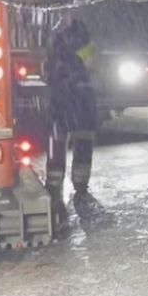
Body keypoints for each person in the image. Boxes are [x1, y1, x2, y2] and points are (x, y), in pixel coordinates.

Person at [42, 13, 98, 212]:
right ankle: (55, 183)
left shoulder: (81, 36)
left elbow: (89, 62)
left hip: (78, 94)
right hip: (62, 95)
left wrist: (69, 63)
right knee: (57, 140)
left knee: (82, 139)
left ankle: (80, 184)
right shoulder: (53, 35)